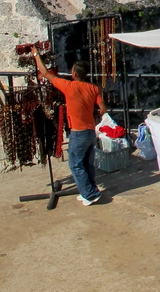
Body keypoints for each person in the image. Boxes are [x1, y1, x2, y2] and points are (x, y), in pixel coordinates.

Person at [33, 50, 107, 206]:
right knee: (87, 163)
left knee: (75, 164)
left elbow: (45, 73)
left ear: (74, 73)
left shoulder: (69, 86)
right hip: (90, 131)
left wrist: (36, 55)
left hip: (78, 132)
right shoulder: (94, 88)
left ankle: (90, 194)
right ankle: (88, 190)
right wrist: (92, 115)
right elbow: (103, 109)